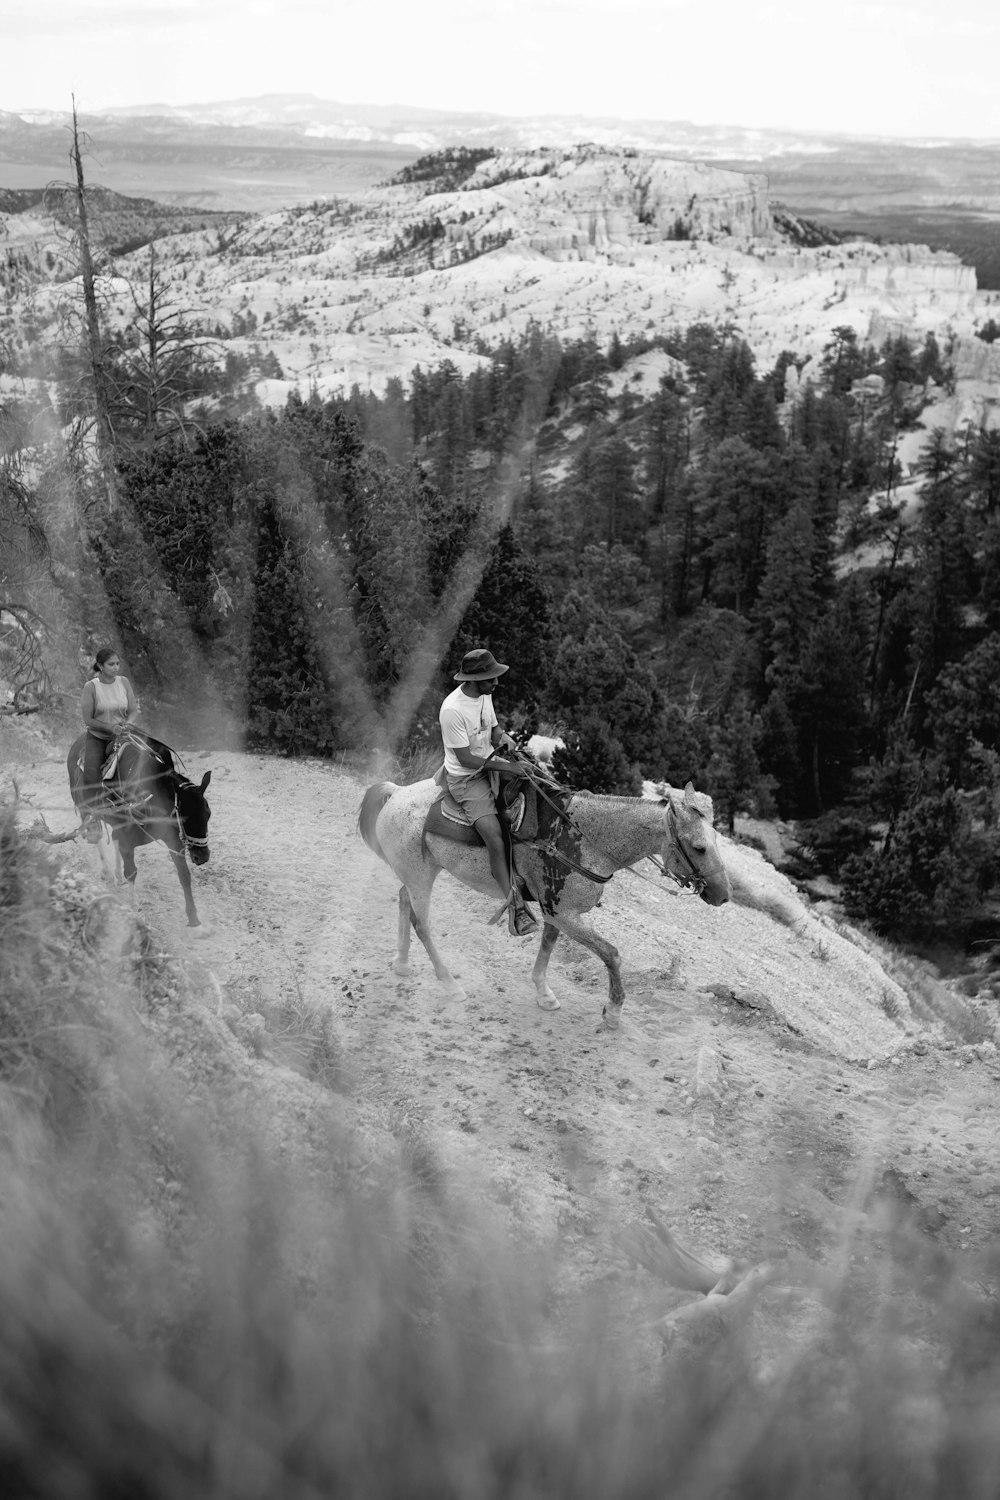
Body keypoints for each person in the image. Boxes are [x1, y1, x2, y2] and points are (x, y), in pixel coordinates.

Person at [439, 647, 538, 937]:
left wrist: (505, 738)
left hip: (492, 762)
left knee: (537, 788)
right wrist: (507, 768)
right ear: (473, 679)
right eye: (491, 678)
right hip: (467, 779)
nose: (496, 682)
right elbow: (465, 759)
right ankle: (515, 907)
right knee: (495, 836)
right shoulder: (452, 710)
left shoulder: (484, 695)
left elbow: (493, 730)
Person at [79, 647, 139, 826]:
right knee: (91, 774)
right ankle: (91, 818)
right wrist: (111, 728)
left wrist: (129, 723)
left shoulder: (124, 682)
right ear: (100, 666)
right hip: (99, 736)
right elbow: (88, 720)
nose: (116, 667)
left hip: (124, 733)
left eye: (117, 663)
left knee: (146, 757)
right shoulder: (91, 687)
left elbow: (133, 710)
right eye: (111, 664)